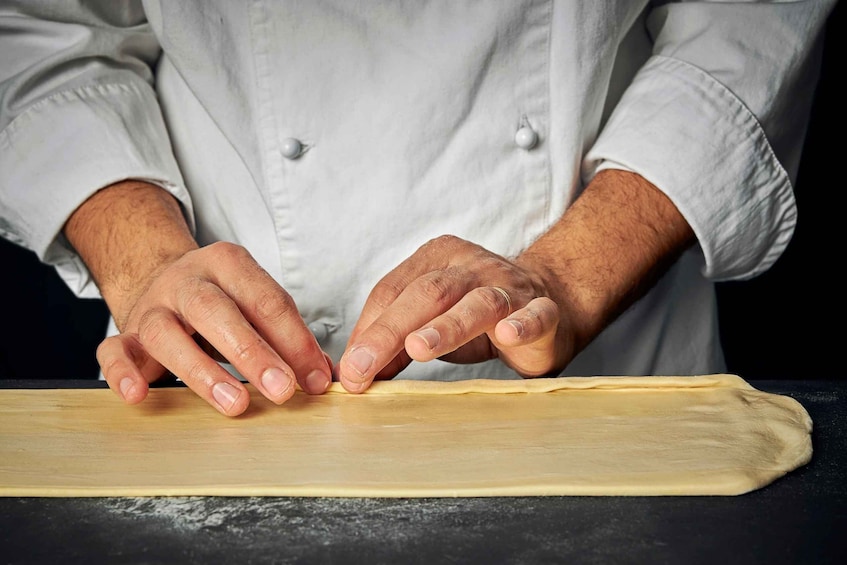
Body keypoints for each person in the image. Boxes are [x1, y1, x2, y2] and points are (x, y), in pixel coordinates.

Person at [0, 1, 836, 416]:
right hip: (232, 396)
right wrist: (146, 265)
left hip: (613, 370)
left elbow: (749, 20)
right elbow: (41, 26)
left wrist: (564, 277)